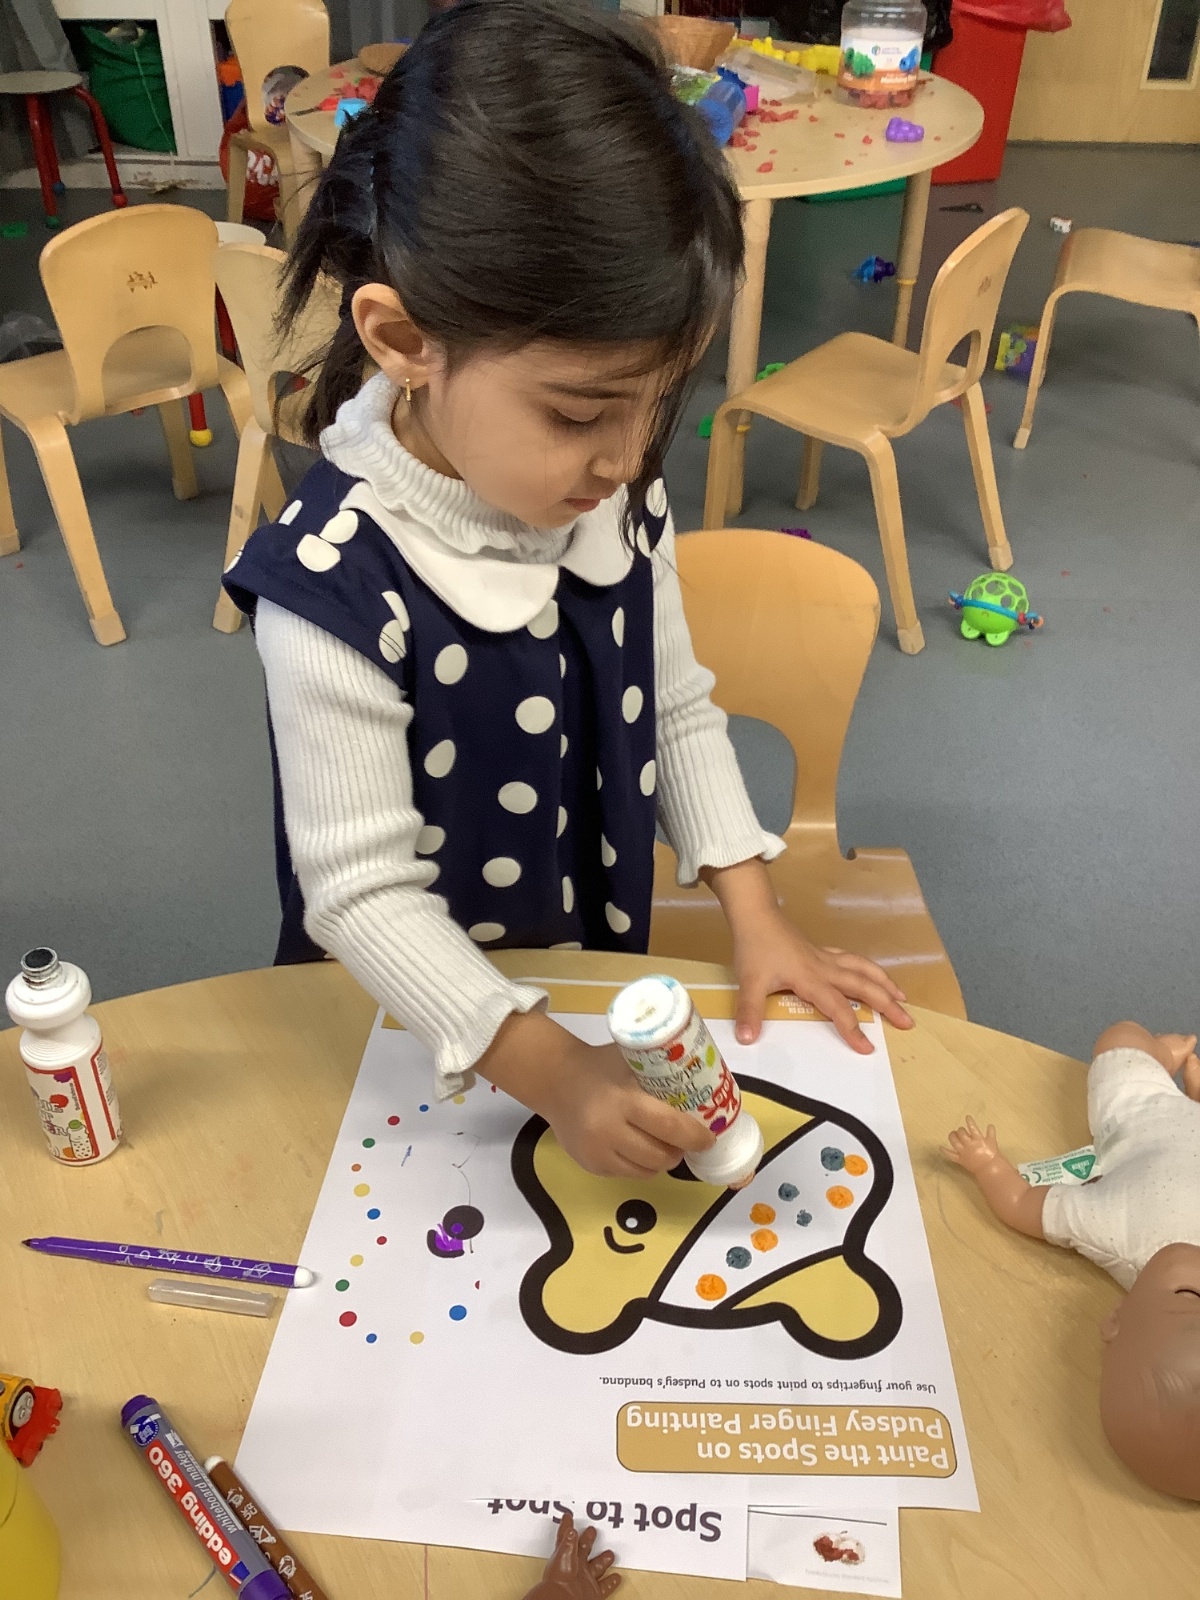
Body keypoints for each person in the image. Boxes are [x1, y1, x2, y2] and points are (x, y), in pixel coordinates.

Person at [225, 0, 912, 1182]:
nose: (628, 457)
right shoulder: (330, 586)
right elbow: (360, 895)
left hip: (585, 983)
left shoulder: (607, 489)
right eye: (580, 411)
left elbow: (675, 703)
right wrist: (553, 1071)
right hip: (403, 1029)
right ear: (403, 340)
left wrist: (755, 912)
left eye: (658, 402)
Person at [945, 1022, 1200, 1500]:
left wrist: (988, 1165)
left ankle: (1156, 1060)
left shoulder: (1114, 1230)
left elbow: (1021, 1203)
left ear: (1117, 1318)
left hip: (1148, 1118)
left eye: (1190, 1293)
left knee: (1119, 1039)